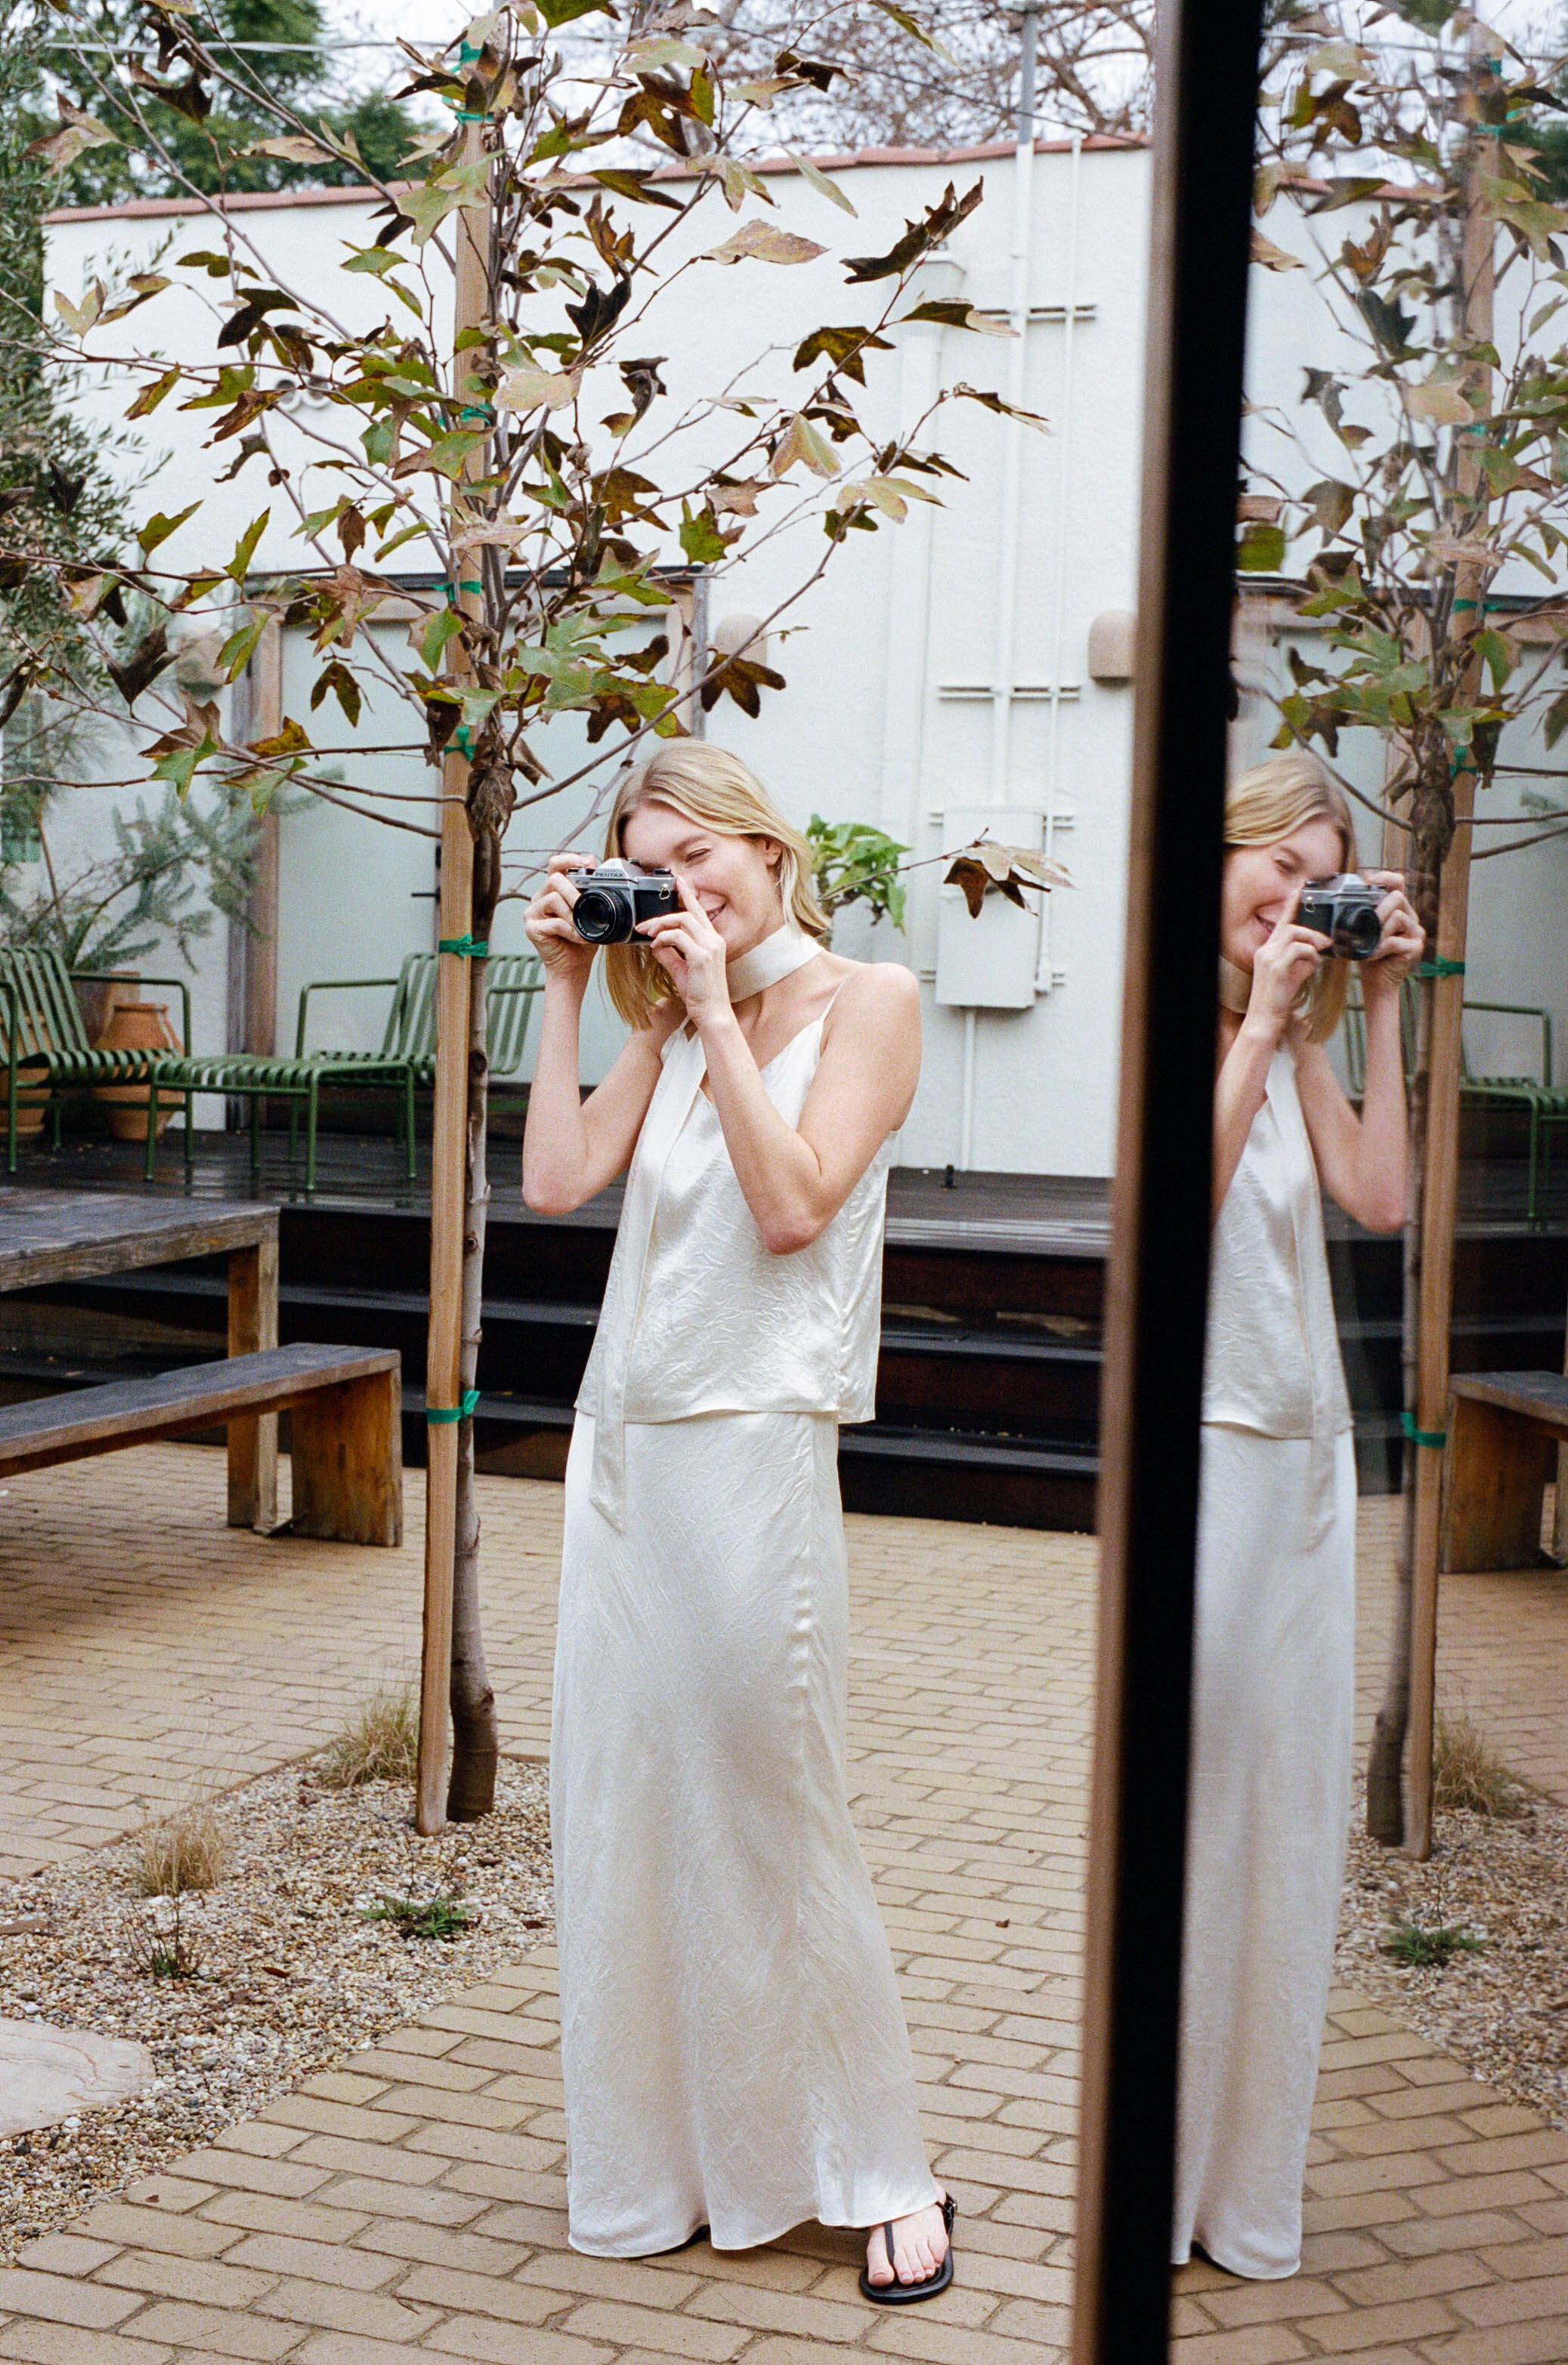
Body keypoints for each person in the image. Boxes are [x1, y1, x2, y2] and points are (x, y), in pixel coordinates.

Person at [522, 742, 955, 2301]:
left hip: (755, 1442)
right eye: (655, 863)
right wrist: (575, 984)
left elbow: (794, 1206)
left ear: (773, 855)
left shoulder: (871, 999)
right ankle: (687, 2154)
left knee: (778, 1802)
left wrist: (713, 1009)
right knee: (634, 1804)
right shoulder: (660, 1017)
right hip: (624, 1439)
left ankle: (884, 2165)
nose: (685, 890)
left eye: (708, 860)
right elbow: (561, 1177)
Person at [1171, 753, 1424, 2281]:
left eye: (1315, 871)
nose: (1286, 894)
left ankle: (1235, 2184)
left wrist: (1380, 1005)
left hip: (1302, 1450)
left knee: (1279, 1818)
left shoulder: (1311, 1026)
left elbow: (1379, 1199)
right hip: (1200, 1441)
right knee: (1191, 1811)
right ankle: (1162, 2159)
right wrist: (1263, 1018)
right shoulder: (1188, 1023)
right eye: (1267, 862)